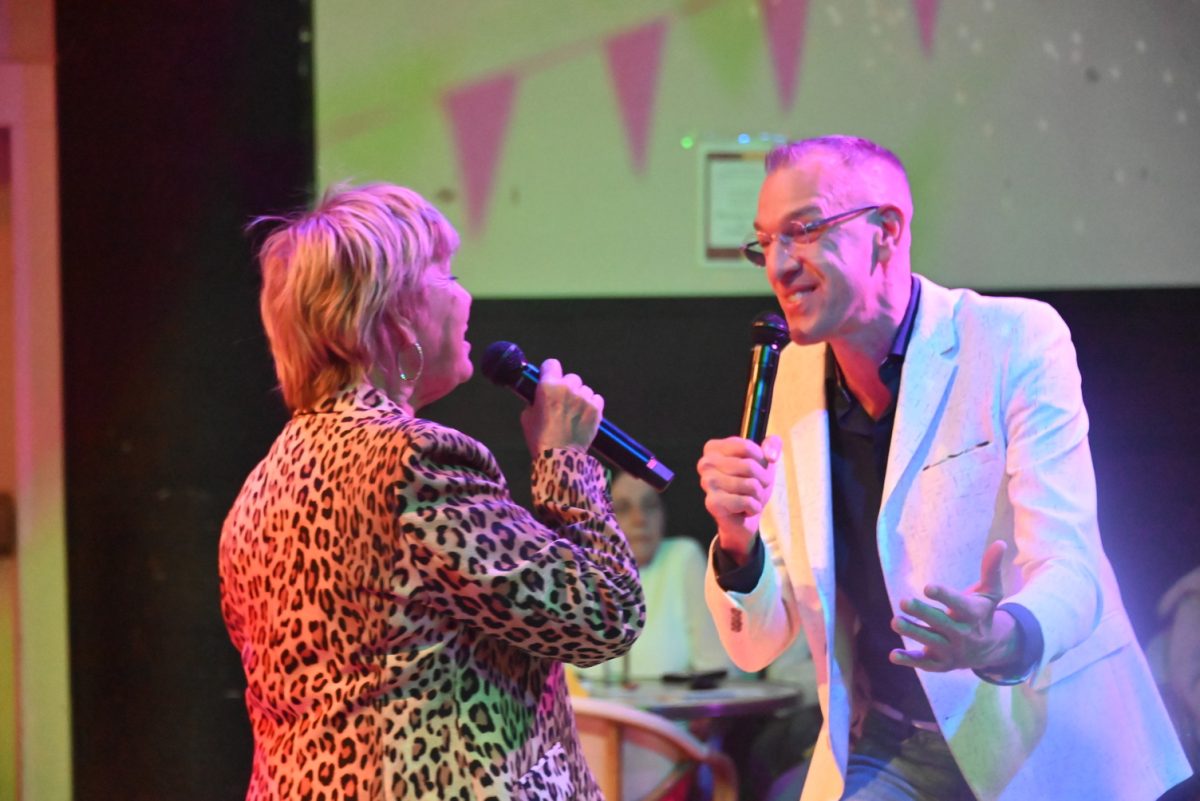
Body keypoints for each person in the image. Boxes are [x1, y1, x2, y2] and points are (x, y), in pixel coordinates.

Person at [696, 135, 1191, 801]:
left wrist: (999, 637)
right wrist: (737, 542)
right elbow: (756, 644)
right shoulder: (789, 381)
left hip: (1039, 733)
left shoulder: (1014, 339)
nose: (780, 265)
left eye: (804, 230)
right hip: (892, 742)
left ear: (886, 232)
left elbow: (1070, 565)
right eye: (766, 243)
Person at [218, 183, 645, 801]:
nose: (465, 296)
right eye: (447, 274)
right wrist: (565, 459)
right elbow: (605, 616)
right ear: (393, 314)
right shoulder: (414, 463)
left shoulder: (259, 489)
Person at [573, 472, 733, 683]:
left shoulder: (683, 557)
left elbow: (718, 669)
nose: (640, 519)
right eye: (623, 508)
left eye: (649, 506)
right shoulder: (578, 572)